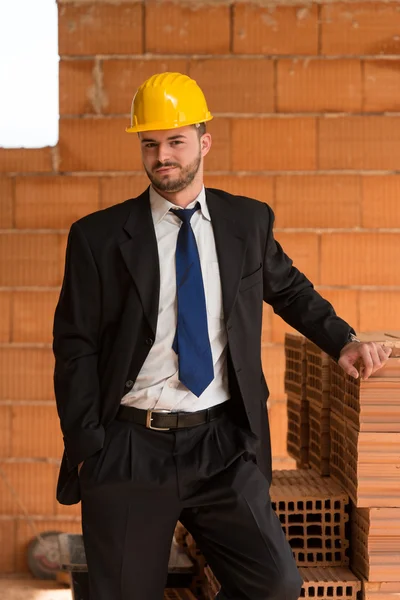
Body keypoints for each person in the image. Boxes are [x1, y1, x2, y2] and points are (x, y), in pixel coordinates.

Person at [53, 72, 391, 600]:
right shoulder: (98, 238)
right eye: (150, 144)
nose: (162, 155)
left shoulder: (246, 222)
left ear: (204, 142)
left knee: (275, 586)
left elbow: (291, 292)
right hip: (129, 448)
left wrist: (343, 340)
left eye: (175, 141)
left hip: (221, 444)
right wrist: (88, 447)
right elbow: (74, 346)